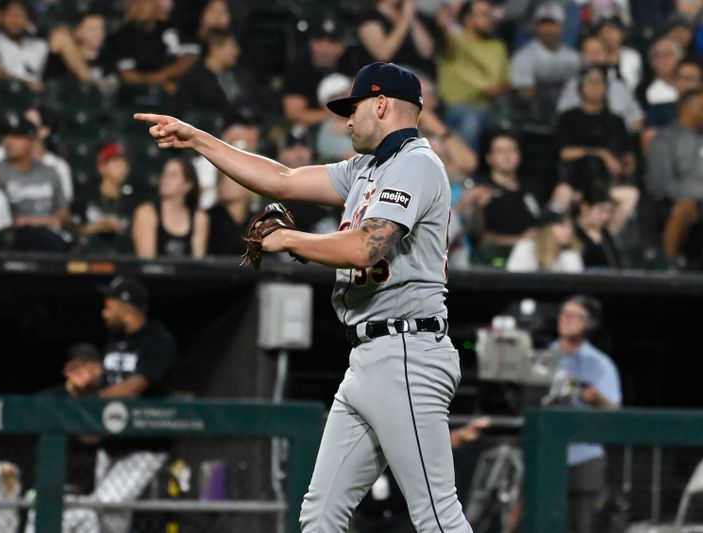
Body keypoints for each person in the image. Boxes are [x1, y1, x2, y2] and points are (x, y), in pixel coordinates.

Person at [135, 61, 473, 532]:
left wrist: (291, 242)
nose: (346, 121)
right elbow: (283, 181)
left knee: (437, 517)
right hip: (370, 358)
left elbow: (364, 246)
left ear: (381, 104)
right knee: (320, 516)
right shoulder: (367, 168)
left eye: (352, 109)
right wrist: (199, 139)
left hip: (406, 353)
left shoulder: (415, 163)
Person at [27, 277, 176, 533]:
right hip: (112, 444)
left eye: (109, 305)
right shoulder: (115, 341)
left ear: (125, 306)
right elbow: (108, 385)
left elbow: (134, 386)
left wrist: (92, 405)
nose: (103, 312)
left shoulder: (157, 340)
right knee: (111, 524)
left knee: (102, 506)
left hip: (144, 446)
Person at [547, 295, 621, 533]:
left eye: (574, 316)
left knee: (583, 527)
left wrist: (597, 398)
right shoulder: (545, 357)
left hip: (584, 458)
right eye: (563, 314)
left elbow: (615, 411)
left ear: (588, 324)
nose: (566, 321)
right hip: (548, 457)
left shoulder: (600, 364)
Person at [646, 88, 703, 265]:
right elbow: (662, 181)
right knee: (685, 208)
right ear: (686, 108)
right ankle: (668, 264)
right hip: (670, 201)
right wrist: (693, 196)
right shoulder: (665, 139)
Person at [553, 64, 638, 224]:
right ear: (580, 86)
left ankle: (606, 241)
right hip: (576, 181)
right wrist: (601, 154)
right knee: (562, 193)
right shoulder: (569, 117)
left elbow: (628, 154)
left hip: (608, 182)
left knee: (631, 194)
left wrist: (625, 166)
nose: (594, 86)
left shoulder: (616, 120)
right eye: (589, 81)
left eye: (599, 81)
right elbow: (565, 153)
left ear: (606, 87)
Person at [436, 0, 510, 149]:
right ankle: (465, 171)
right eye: (484, 15)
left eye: (491, 15)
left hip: (490, 108)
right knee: (471, 121)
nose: (490, 19)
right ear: (468, 19)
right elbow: (445, 36)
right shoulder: (456, 41)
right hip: (456, 107)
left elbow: (506, 81)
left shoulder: (498, 47)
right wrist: (444, 24)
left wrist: (498, 88)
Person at [0, 114, 70, 252]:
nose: (8, 142)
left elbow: (63, 212)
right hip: (13, 241)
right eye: (7, 136)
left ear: (31, 141)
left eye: (16, 137)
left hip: (49, 239)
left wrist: (39, 221)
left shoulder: (50, 171)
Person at [556, 34, 644, 132]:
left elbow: (637, 118)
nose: (594, 56)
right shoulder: (572, 85)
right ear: (581, 57)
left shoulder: (620, 86)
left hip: (615, 141)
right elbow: (563, 119)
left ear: (607, 56)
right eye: (589, 52)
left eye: (598, 52)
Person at [107, 0, 197, 93]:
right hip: (138, 92)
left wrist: (163, 75)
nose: (140, 7)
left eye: (145, 3)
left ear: (156, 5)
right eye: (136, 3)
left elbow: (188, 59)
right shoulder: (121, 36)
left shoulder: (171, 27)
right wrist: (155, 81)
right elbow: (126, 74)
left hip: (176, 87)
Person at [282, 15, 353, 127]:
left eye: (332, 42)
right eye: (318, 41)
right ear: (311, 43)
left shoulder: (354, 65)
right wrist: (334, 114)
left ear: (342, 46)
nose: (324, 49)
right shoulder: (299, 69)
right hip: (310, 133)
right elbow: (293, 115)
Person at [472, 131, 540, 248]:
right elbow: (481, 237)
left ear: (519, 155)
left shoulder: (531, 190)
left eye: (511, 150)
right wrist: (520, 240)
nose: (506, 156)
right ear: (489, 158)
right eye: (500, 151)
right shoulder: (481, 191)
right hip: (494, 258)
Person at [172, 28, 258, 120]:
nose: (237, 52)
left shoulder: (238, 75)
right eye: (232, 46)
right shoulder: (195, 79)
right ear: (215, 48)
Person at [510, 3, 580, 114]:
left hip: (569, 116)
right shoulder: (524, 56)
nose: (548, 29)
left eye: (553, 24)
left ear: (562, 26)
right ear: (536, 26)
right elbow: (524, 93)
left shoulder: (573, 57)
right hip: (535, 117)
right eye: (544, 24)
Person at [132, 156, 205, 258]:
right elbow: (146, 264)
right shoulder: (146, 213)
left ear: (187, 185)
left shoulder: (199, 218)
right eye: (164, 174)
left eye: (173, 175)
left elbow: (197, 262)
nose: (165, 179)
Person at [71, 143, 135, 254]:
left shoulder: (131, 200)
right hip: (89, 255)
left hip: (121, 257)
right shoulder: (86, 195)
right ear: (102, 167)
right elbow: (70, 227)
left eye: (125, 163)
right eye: (116, 162)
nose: (122, 167)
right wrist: (94, 228)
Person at [357, 0, 438, 76]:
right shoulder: (369, 16)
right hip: (388, 77)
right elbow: (383, 54)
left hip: (420, 75)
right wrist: (405, 20)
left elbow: (427, 52)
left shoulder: (410, 14)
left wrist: (411, 18)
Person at [506, 211, 583, 272]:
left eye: (570, 227)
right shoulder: (525, 247)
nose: (569, 231)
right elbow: (513, 279)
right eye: (562, 226)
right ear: (547, 230)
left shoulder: (571, 253)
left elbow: (576, 283)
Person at [574, 189, 623, 269]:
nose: (605, 217)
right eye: (601, 210)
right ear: (585, 207)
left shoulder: (605, 234)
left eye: (608, 212)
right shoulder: (573, 233)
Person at [594, 15, 642, 91]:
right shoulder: (594, 57)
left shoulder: (632, 56)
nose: (608, 36)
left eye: (612, 32)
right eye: (605, 32)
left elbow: (635, 84)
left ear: (622, 34)